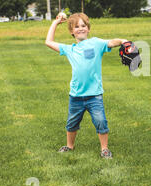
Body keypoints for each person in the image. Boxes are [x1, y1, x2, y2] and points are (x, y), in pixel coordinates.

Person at [45, 12, 128, 159]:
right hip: (76, 96)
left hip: (94, 95)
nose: (80, 28)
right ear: (72, 31)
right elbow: (49, 42)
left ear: (88, 28)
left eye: (83, 25)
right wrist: (55, 23)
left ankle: (104, 149)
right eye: (76, 27)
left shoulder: (96, 43)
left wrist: (122, 40)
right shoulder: (70, 49)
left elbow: (110, 42)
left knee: (101, 121)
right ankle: (69, 146)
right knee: (71, 123)